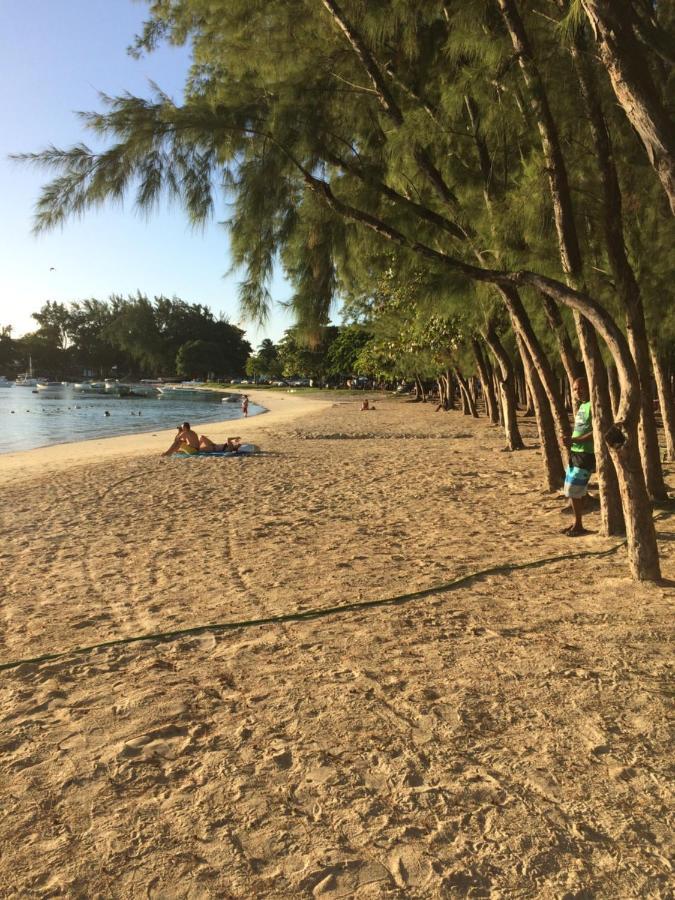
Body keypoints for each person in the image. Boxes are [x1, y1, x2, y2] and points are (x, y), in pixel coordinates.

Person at [562, 377, 595, 536]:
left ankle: (579, 525)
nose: (578, 392)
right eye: (575, 389)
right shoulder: (582, 406)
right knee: (572, 488)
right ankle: (577, 521)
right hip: (575, 452)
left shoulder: (593, 405)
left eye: (581, 388)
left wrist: (574, 439)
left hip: (586, 453)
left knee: (574, 489)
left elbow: (596, 431)